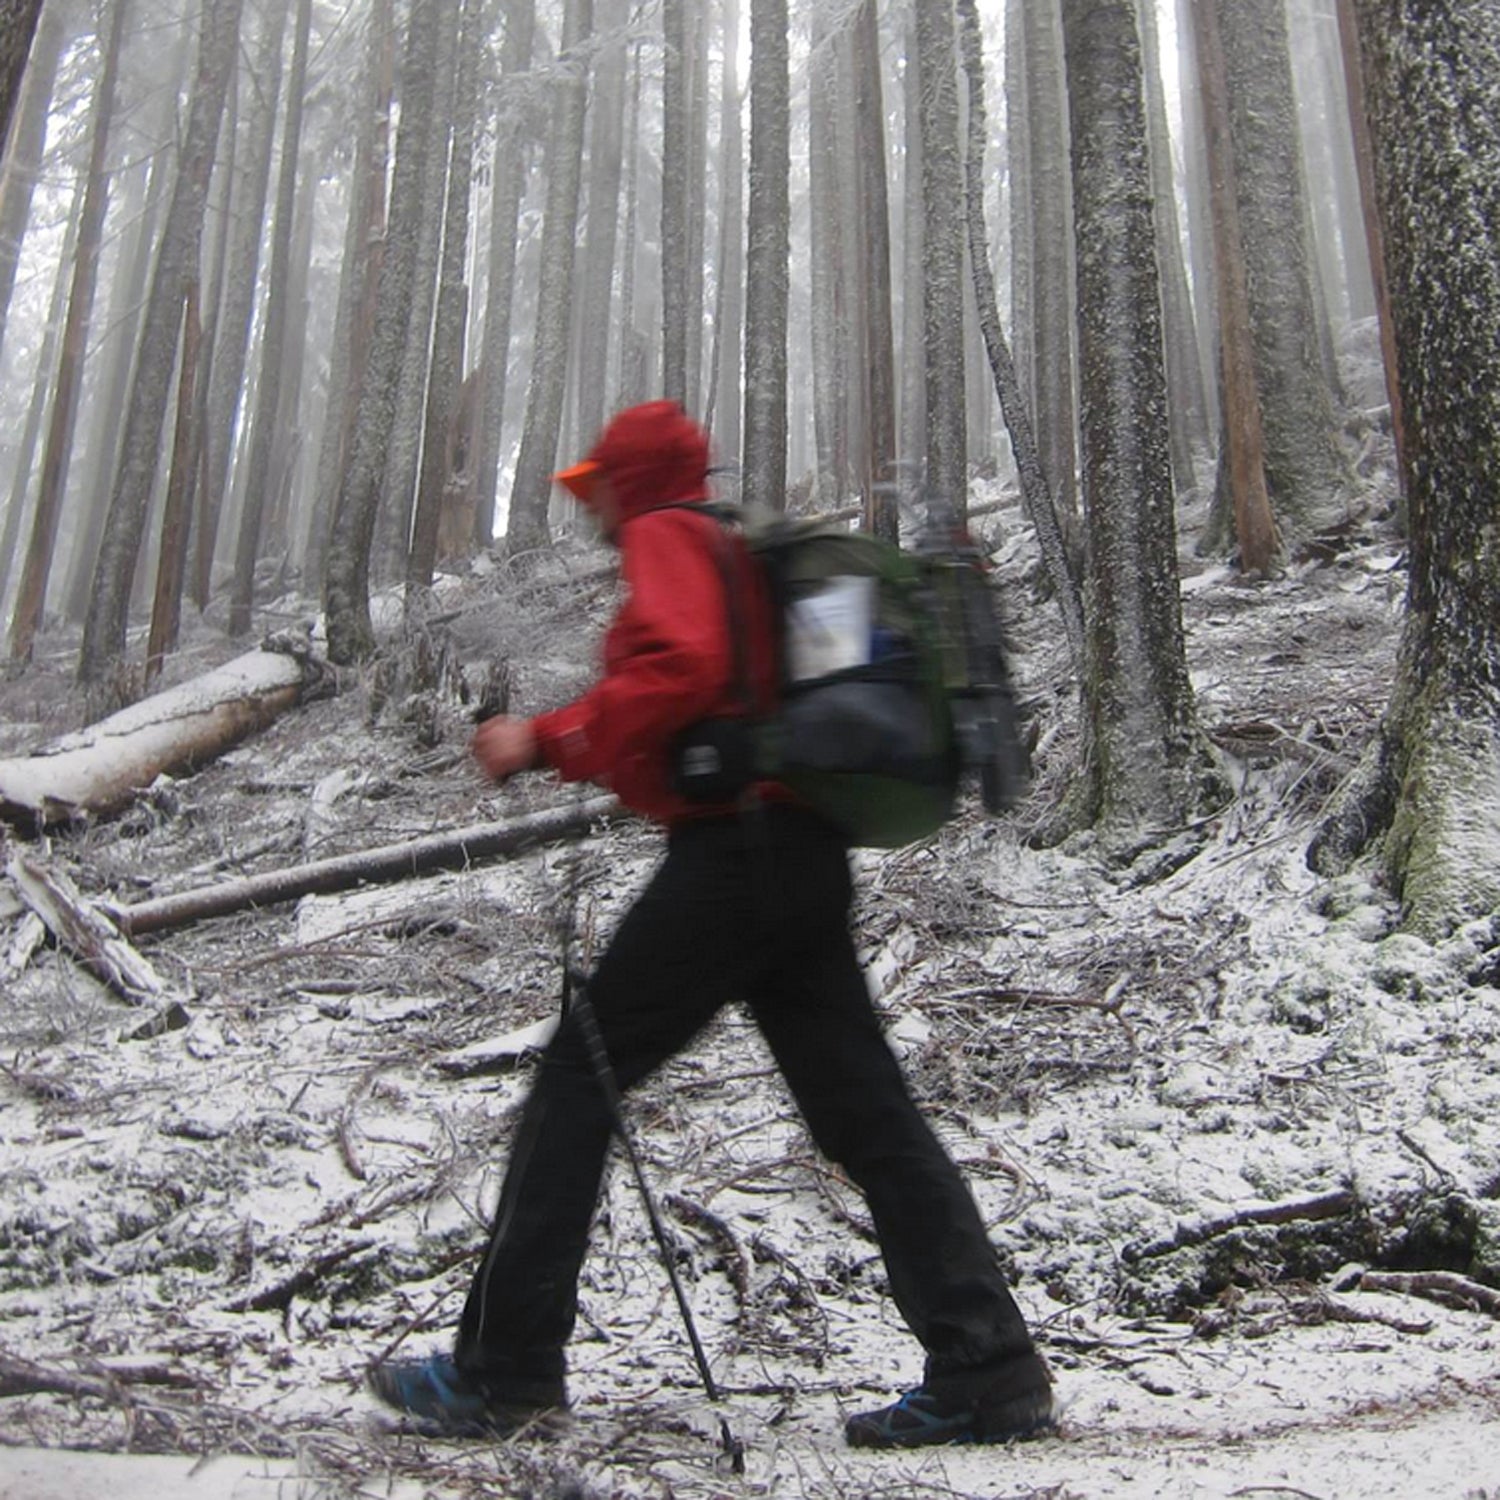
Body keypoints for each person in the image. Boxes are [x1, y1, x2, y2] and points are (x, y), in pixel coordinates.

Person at [368, 400, 1054, 1449]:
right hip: (797, 855)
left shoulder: (668, 533)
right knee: (867, 1118)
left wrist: (548, 739)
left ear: (628, 481)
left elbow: (681, 667)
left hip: (735, 860)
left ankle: (503, 1371)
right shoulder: (724, 544)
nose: (588, 500)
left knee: (574, 1080)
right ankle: (990, 1367)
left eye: (596, 482)